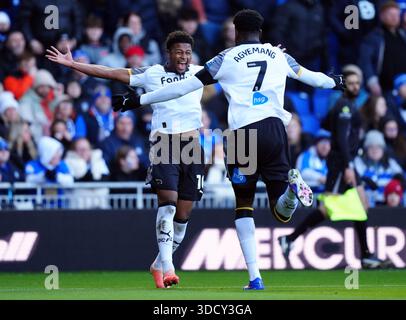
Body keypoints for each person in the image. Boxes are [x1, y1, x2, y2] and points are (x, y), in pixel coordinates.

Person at [112, 9, 346, 290]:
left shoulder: (225, 58)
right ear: (261, 32)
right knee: (282, 213)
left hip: (242, 137)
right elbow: (314, 79)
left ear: (236, 32)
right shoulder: (278, 54)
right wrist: (336, 82)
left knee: (244, 207)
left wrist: (138, 101)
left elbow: (181, 88)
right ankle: (289, 192)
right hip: (274, 129)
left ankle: (255, 278)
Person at [46, 31, 206, 289]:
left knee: (184, 217)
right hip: (164, 142)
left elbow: (235, 68)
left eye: (187, 52)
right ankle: (169, 268)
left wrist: (267, 53)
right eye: (179, 51)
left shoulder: (200, 72)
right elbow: (111, 72)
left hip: (193, 146)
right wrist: (74, 64)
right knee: (168, 205)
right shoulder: (152, 73)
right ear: (169, 52)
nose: (184, 57)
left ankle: (157, 263)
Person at [279, 70, 389, 269]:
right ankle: (291, 238)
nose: (355, 86)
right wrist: (348, 165)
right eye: (351, 83)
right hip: (341, 164)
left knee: (358, 206)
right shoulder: (344, 107)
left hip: (345, 162)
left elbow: (326, 125)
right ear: (343, 85)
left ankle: (365, 255)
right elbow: (340, 138)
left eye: (357, 82)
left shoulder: (343, 107)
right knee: (332, 207)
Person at [354, 130, 403, 206]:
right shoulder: (360, 163)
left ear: (383, 149)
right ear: (366, 149)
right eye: (371, 147)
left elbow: (401, 179)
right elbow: (355, 181)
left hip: (388, 206)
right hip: (366, 205)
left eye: (378, 147)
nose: (375, 150)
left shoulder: (390, 163)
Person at [296, 129, 331, 194]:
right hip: (305, 195)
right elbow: (303, 173)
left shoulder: (327, 159)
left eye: (328, 144)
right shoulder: (306, 155)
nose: (325, 147)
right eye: (322, 143)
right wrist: (321, 178)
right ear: (316, 144)